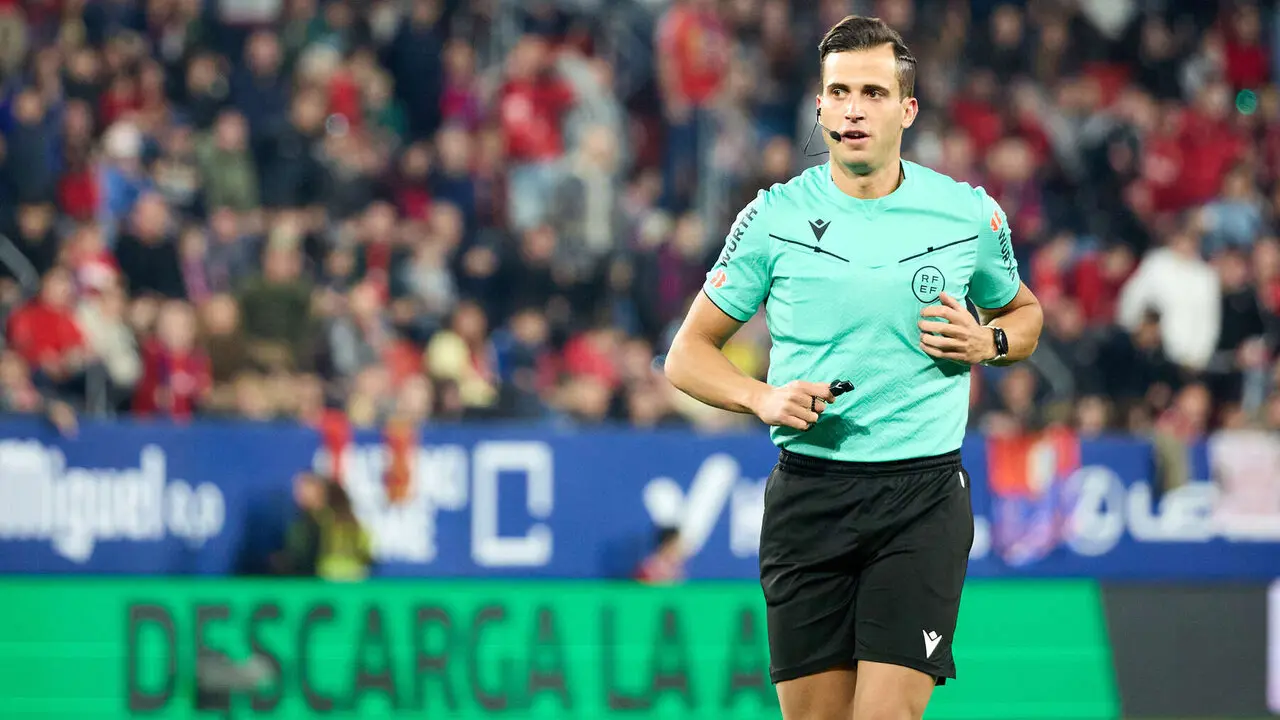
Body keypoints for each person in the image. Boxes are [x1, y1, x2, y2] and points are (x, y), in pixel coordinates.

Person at [663, 15, 1044, 720]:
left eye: (871, 92)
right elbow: (685, 355)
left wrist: (985, 343)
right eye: (838, 92)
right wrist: (762, 398)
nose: (853, 108)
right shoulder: (772, 217)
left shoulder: (966, 215)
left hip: (921, 498)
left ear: (907, 109)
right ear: (819, 106)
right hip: (809, 499)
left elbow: (1025, 317)